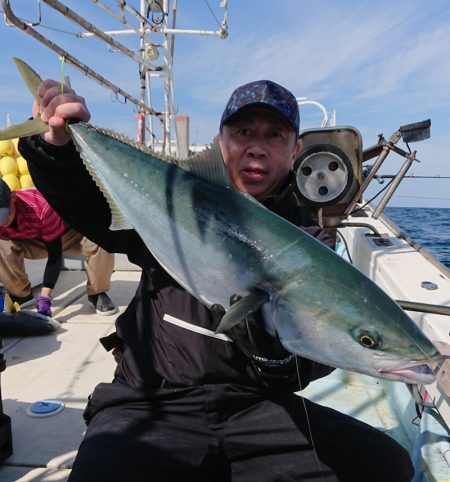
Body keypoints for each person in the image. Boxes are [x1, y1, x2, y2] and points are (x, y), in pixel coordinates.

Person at [18, 79, 414, 482]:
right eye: (243, 132)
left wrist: (275, 361)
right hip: (151, 398)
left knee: (387, 466)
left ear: (295, 151)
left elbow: (314, 354)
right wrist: (56, 148)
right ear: (220, 140)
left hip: (254, 408)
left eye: (274, 134)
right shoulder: (171, 196)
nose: (256, 146)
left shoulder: (308, 241)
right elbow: (85, 204)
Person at [0, 179, 117, 316]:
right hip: (30, 240)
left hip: (68, 235)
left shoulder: (41, 206)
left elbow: (55, 256)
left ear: (13, 197)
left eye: (3, 214)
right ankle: (20, 294)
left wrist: (45, 296)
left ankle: (97, 292)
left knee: (101, 240)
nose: (2, 222)